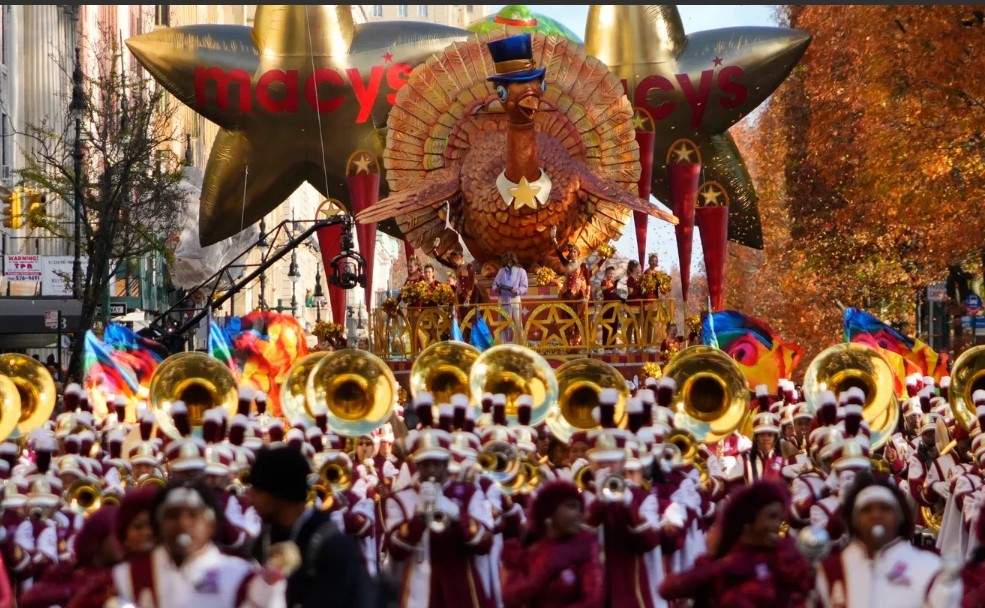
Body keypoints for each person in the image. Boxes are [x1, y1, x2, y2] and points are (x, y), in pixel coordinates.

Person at [106, 480, 287, 608]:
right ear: (158, 525)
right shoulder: (127, 575)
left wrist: (268, 592)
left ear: (211, 525)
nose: (183, 524)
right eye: (173, 515)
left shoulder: (241, 575)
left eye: (193, 515)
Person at [248, 446, 374, 608]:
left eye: (257, 491)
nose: (250, 500)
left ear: (279, 494)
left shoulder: (332, 546)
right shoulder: (264, 538)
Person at [816, 472, 963, 608]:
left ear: (899, 517)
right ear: (854, 520)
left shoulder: (930, 565)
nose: (876, 515)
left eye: (885, 508)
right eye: (866, 510)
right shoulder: (831, 568)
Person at [660, 480, 814, 608]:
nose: (777, 525)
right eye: (771, 517)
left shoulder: (784, 556)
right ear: (748, 519)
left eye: (780, 519)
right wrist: (724, 567)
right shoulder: (720, 561)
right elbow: (667, 589)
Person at [501, 480, 603, 608]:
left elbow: (594, 600)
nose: (579, 514)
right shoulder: (524, 549)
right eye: (571, 506)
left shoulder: (584, 547)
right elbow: (509, 598)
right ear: (550, 511)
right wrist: (548, 568)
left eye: (580, 508)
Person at [20, 506, 123, 608]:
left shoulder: (123, 575)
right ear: (100, 537)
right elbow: (30, 599)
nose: (124, 541)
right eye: (117, 534)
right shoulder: (66, 572)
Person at [492, 251, 528, 344]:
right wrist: (498, 289)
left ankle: (520, 345)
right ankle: (502, 345)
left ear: (514, 261)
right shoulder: (501, 271)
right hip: (503, 299)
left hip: (515, 299)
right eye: (507, 262)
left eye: (511, 262)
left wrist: (517, 291)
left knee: (517, 323)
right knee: (502, 323)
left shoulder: (521, 271)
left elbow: (524, 286)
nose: (509, 264)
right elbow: (495, 285)